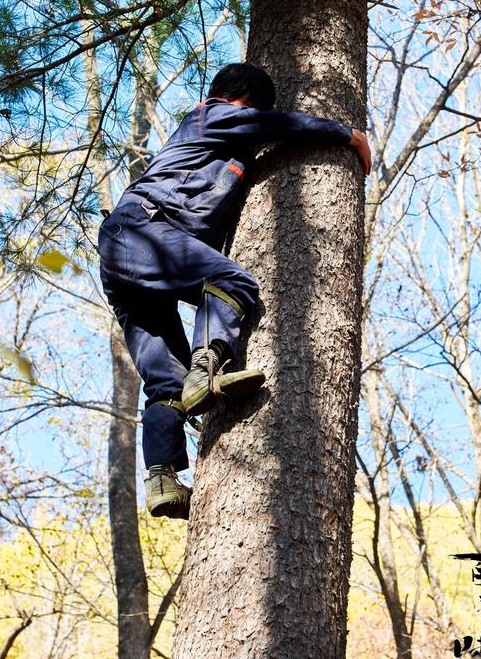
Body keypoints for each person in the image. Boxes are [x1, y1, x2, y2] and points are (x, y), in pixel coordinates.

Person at [98, 62, 371, 519]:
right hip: (141, 232)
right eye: (253, 107)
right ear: (238, 98)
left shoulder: (216, 149)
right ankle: (205, 371)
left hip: (132, 253)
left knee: (164, 378)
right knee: (232, 279)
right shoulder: (209, 115)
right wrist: (347, 135)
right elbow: (271, 125)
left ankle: (162, 479)